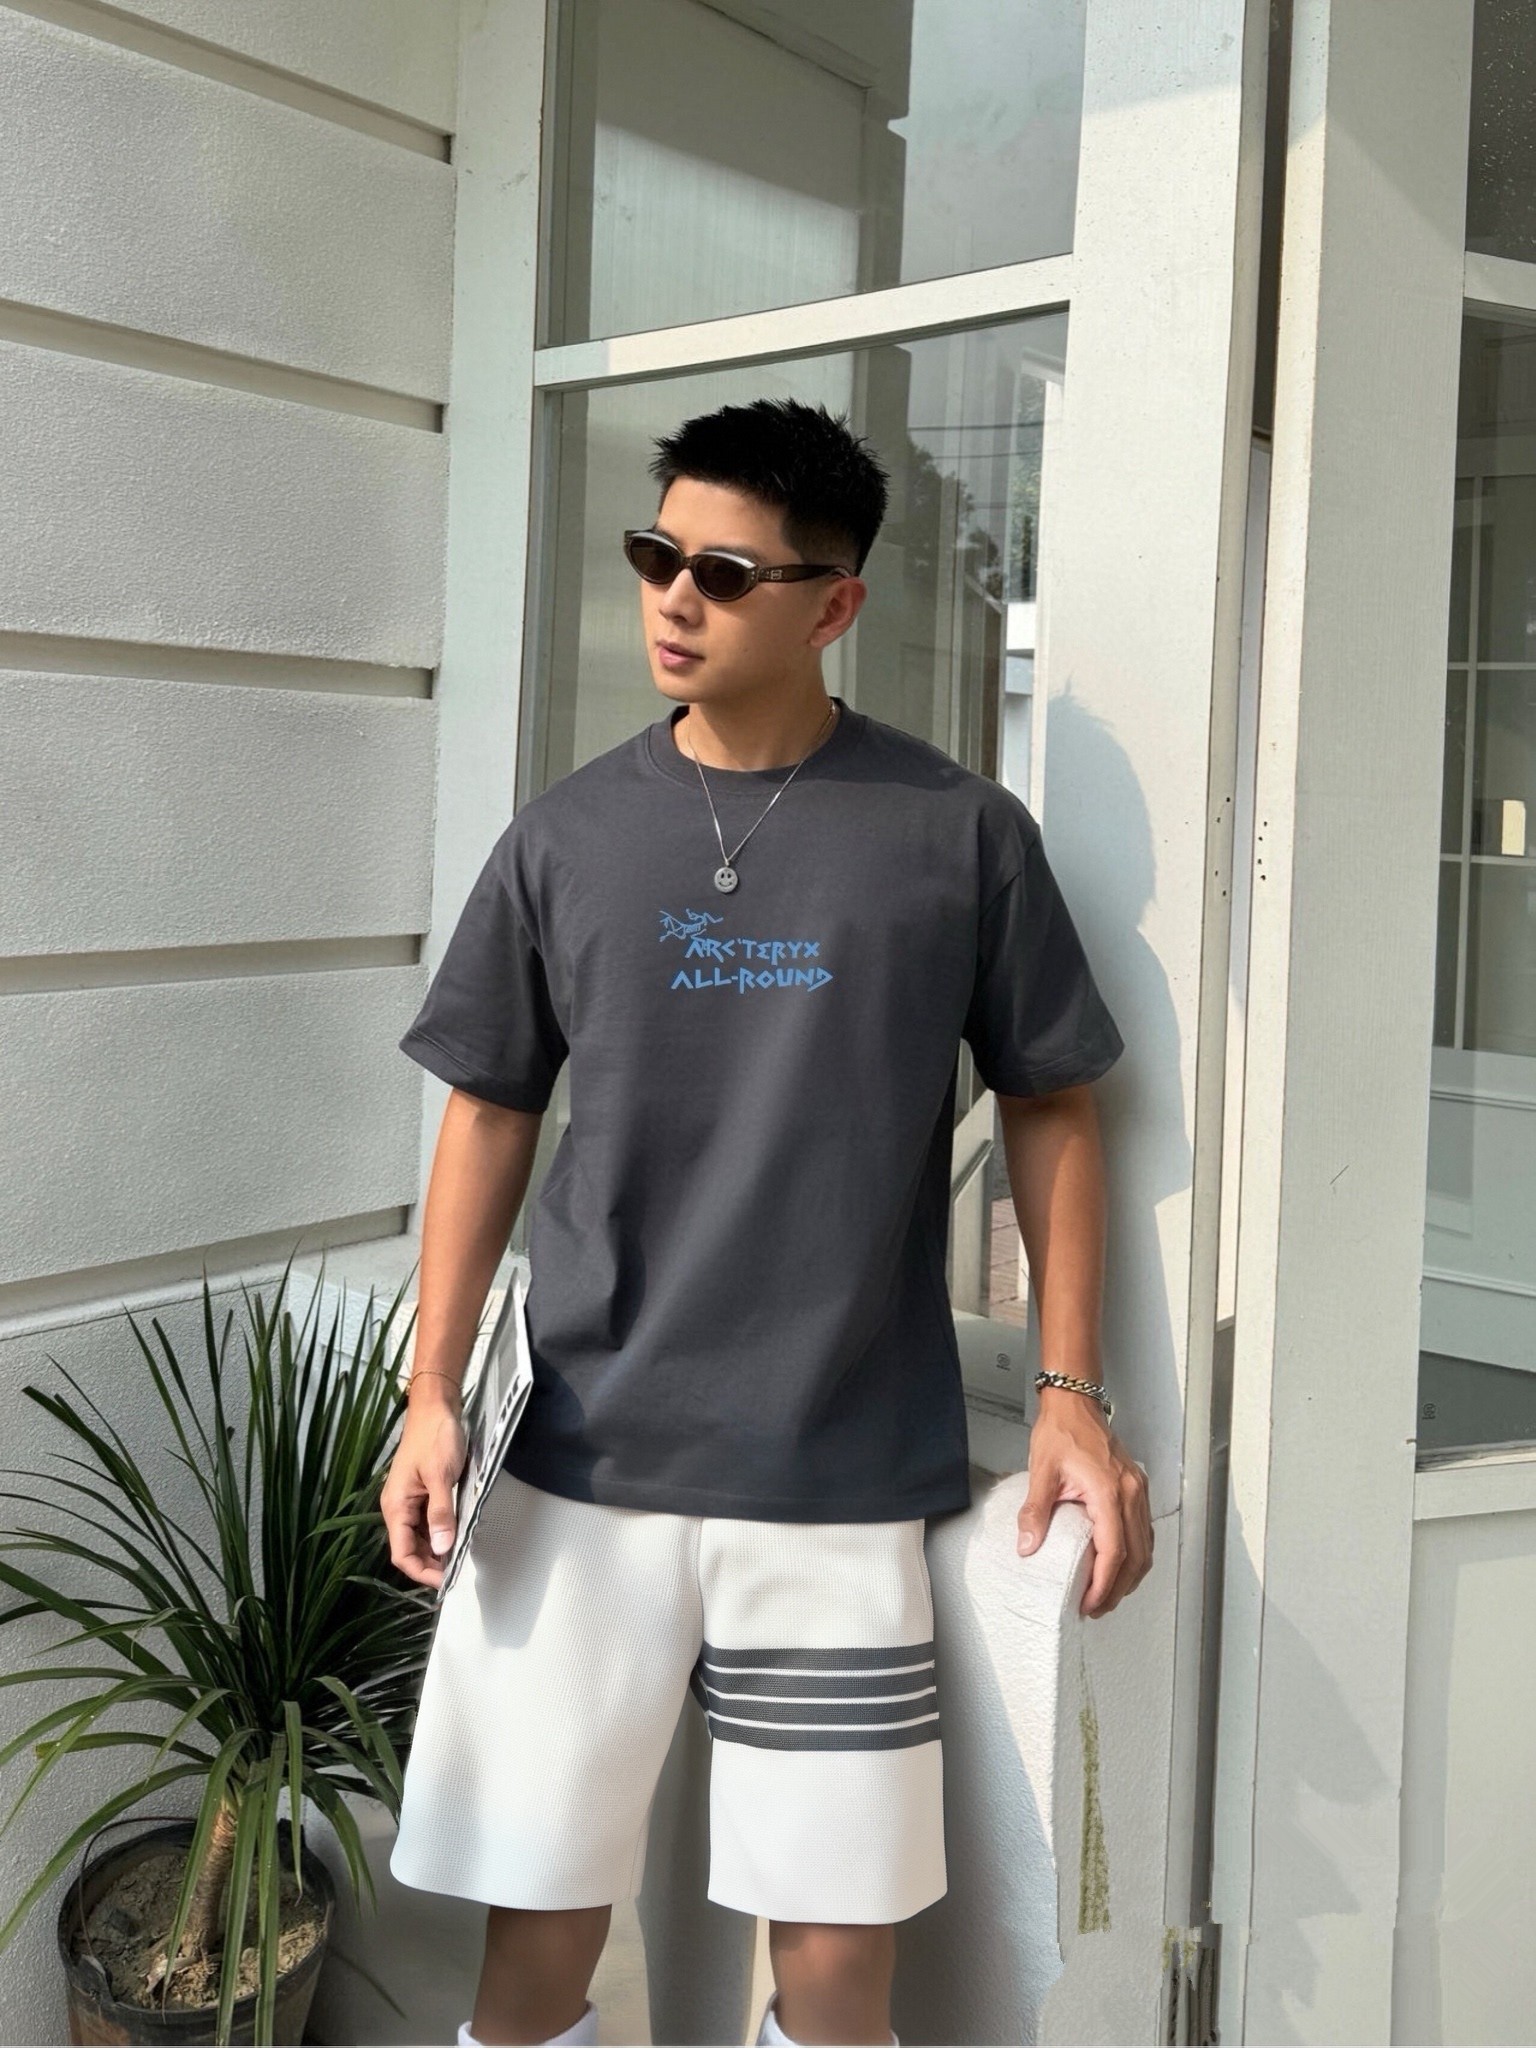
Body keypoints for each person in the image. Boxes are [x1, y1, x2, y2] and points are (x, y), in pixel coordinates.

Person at [380, 397, 1153, 2048]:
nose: (674, 597)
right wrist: (432, 1388)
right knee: (533, 1956)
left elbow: (1053, 1101)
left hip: (836, 1477)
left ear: (834, 603)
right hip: (578, 1462)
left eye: (725, 573)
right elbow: (491, 1109)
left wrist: (1072, 1392)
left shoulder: (958, 834)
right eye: (657, 554)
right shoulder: (566, 836)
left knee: (836, 1972)